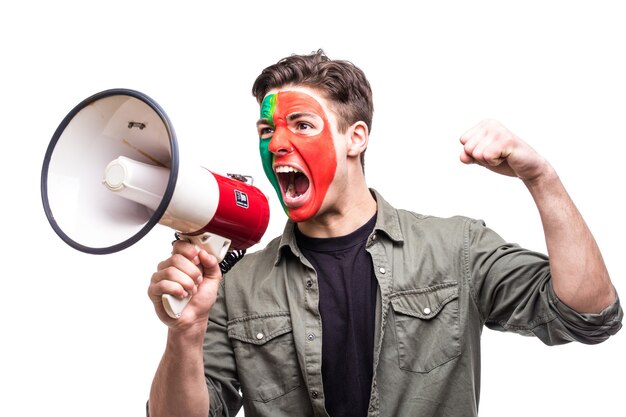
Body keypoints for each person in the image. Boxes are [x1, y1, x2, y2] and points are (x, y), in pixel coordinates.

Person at [146, 49, 623, 417]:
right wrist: (184, 333)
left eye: (301, 124)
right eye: (266, 129)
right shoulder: (237, 286)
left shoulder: (456, 249)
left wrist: (541, 177)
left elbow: (589, 316)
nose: (278, 144)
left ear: (357, 137)